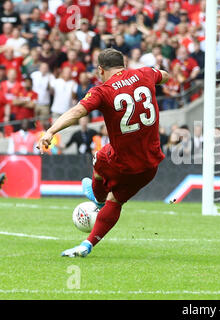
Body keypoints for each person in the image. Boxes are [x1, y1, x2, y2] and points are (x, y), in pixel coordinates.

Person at [37, 48, 169, 257]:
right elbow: (164, 75)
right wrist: (154, 79)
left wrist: (51, 131)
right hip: (150, 165)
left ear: (100, 70)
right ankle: (86, 245)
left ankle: (97, 198)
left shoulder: (103, 91)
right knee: (115, 201)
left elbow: (77, 112)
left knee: (99, 156)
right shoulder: (145, 73)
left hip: (122, 162)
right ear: (124, 64)